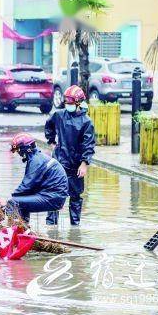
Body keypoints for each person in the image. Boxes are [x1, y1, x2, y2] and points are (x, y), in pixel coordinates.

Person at [44, 85, 96, 226]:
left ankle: (75, 226)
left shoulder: (86, 122)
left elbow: (89, 144)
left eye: (71, 103)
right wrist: (52, 142)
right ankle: (51, 226)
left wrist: (84, 163)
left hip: (75, 165)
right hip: (58, 162)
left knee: (75, 196)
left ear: (78, 103)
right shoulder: (59, 115)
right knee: (54, 193)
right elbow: (48, 125)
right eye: (66, 103)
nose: (68, 105)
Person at [6, 133, 68, 223]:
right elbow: (27, 188)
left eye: (18, 150)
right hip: (53, 196)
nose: (18, 153)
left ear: (25, 149)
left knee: (13, 202)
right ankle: (23, 229)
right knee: (20, 201)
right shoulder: (36, 158)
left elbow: (26, 186)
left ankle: (12, 230)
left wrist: (8, 201)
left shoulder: (36, 161)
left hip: (52, 198)